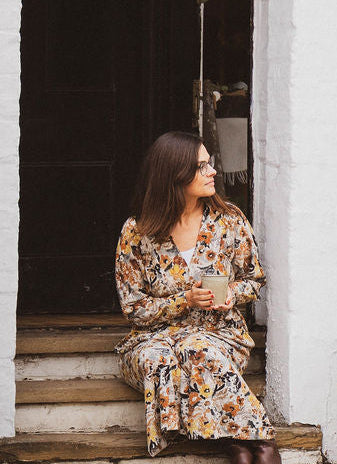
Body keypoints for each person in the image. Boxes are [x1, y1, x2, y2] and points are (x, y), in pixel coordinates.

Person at [113, 131, 281, 464]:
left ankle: (249, 440)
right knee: (157, 359)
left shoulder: (228, 221)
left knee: (197, 348)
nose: (212, 171)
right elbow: (134, 309)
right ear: (174, 175)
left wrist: (231, 294)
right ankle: (250, 441)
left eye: (210, 163)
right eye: (201, 166)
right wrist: (184, 300)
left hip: (219, 336)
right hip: (155, 338)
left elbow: (254, 279)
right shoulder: (137, 231)